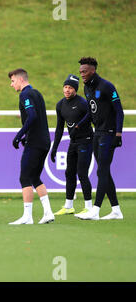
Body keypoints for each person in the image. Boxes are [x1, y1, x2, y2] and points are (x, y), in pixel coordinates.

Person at [75, 57, 124, 220]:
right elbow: (91, 111)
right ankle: (116, 210)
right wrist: (79, 125)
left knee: (101, 170)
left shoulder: (107, 86)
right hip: (97, 133)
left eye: (85, 71)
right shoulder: (86, 87)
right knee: (104, 171)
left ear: (93, 70)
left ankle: (95, 210)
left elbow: (119, 111)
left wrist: (118, 134)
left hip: (109, 133)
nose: (82, 74)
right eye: (80, 71)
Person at [8, 68, 55, 225]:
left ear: (21, 80)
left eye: (13, 81)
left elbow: (33, 116)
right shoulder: (37, 93)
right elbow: (38, 118)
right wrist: (26, 136)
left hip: (35, 142)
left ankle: (27, 217)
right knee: (35, 177)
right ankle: (48, 213)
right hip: (44, 141)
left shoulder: (25, 94)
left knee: (24, 177)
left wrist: (19, 135)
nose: (11, 84)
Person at [51, 74, 94, 216]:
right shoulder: (60, 105)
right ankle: (69, 206)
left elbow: (92, 116)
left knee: (82, 173)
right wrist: (54, 148)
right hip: (73, 142)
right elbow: (59, 128)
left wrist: (79, 126)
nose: (67, 90)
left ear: (75, 89)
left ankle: (89, 207)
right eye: (65, 87)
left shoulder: (82, 103)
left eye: (70, 87)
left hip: (86, 140)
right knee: (69, 173)